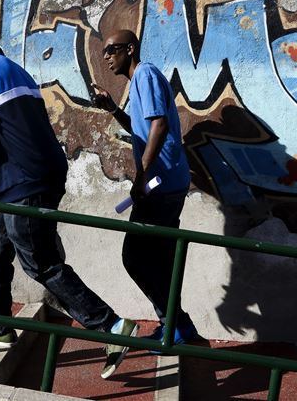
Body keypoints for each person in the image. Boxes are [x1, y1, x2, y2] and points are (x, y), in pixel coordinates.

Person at [0, 19, 136, 379]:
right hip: (25, 181)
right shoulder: (15, 71)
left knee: (41, 263)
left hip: (24, 183)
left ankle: (111, 326)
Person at [91, 29, 199, 351]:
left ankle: (175, 324)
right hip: (166, 183)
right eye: (104, 52)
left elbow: (160, 125)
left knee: (135, 256)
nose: (107, 56)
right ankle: (177, 326)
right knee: (161, 258)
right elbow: (141, 128)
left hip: (161, 185)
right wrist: (113, 109)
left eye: (111, 49)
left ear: (130, 49)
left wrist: (142, 176)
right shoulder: (138, 83)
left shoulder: (146, 74)